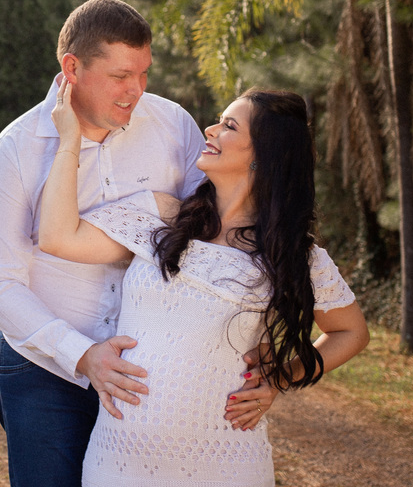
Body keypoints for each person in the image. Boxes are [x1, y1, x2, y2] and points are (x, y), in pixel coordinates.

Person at [0, 0, 276, 487]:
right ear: (72, 68)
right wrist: (82, 354)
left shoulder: (173, 125)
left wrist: (260, 347)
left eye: (144, 73)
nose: (136, 90)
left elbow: (217, 239)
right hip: (46, 370)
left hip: (151, 376)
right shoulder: (16, 149)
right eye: (120, 76)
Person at [39, 84, 371, 486]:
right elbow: (57, 237)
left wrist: (281, 377)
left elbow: (351, 332)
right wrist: (69, 143)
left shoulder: (293, 255)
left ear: (264, 155)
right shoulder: (163, 215)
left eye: (229, 126)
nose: (210, 130)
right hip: (118, 460)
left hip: (227, 464)